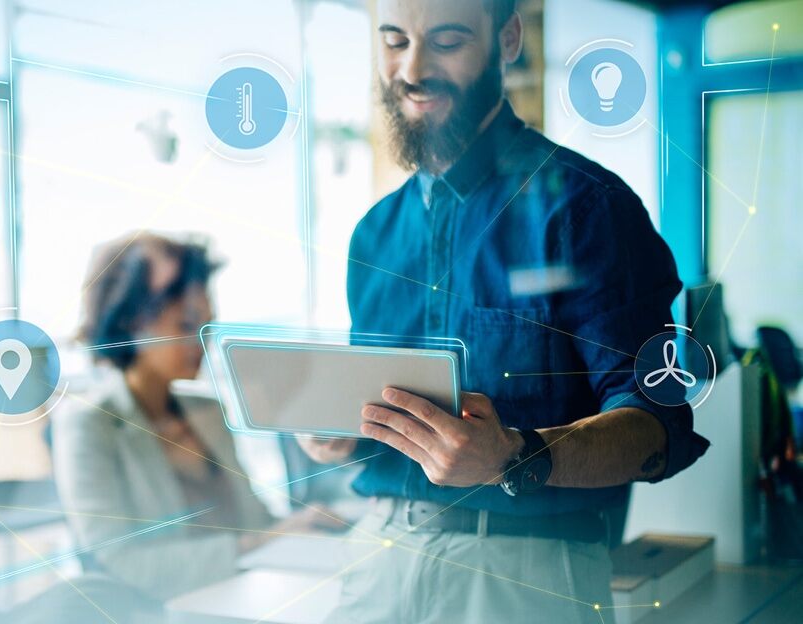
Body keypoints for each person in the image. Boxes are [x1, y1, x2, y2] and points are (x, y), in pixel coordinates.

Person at [297, 1, 710, 622]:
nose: (412, 68)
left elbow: (659, 425)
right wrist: (341, 435)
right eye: (394, 41)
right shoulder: (373, 234)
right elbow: (392, 421)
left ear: (508, 39)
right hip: (379, 553)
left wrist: (515, 455)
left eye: (447, 41)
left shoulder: (587, 209)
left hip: (521, 574)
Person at [52, 233, 335, 604]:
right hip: (166, 607)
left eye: (207, 325)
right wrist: (261, 542)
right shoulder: (89, 424)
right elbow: (121, 562)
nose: (203, 342)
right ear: (131, 325)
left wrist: (299, 525)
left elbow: (253, 518)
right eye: (185, 325)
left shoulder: (207, 410)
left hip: (247, 592)